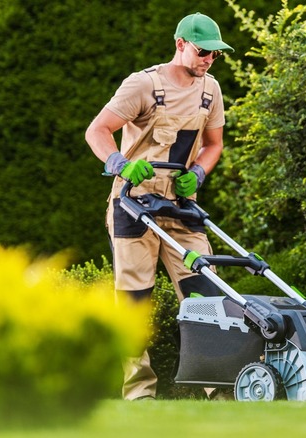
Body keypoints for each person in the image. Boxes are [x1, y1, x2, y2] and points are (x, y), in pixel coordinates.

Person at [85, 12, 233, 401]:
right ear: (181, 43)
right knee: (135, 301)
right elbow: (97, 130)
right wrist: (119, 164)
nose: (208, 61)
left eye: (215, 55)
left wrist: (198, 174)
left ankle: (217, 389)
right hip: (133, 203)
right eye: (203, 52)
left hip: (181, 205)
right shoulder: (143, 85)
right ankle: (140, 394)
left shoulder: (210, 90)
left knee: (205, 294)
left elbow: (213, 144)